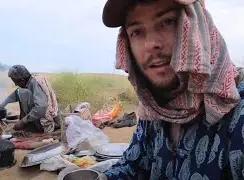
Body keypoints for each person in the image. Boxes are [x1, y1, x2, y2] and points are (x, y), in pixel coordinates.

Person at [100, 0, 244, 179]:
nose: (151, 44)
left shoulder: (239, 112)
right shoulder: (153, 107)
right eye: (136, 32)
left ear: (199, 25)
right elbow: (134, 165)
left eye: (167, 22)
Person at [0, 65, 59, 133]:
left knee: (40, 126)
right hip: (39, 115)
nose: (15, 84)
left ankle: (53, 125)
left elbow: (41, 107)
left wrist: (23, 121)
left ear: (22, 80)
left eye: (16, 82)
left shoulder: (35, 83)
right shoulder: (28, 81)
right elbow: (18, 93)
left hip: (46, 116)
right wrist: (4, 103)